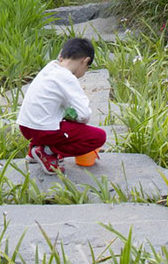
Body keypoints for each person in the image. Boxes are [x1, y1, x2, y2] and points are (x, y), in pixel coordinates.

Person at [16, 37, 106, 173]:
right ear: (85, 61)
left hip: (26, 127)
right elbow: (84, 115)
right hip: (42, 131)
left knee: (54, 116)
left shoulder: (50, 67)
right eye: (87, 68)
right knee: (98, 136)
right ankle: (46, 151)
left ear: (61, 55)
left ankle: (33, 150)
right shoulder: (67, 77)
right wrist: (74, 120)